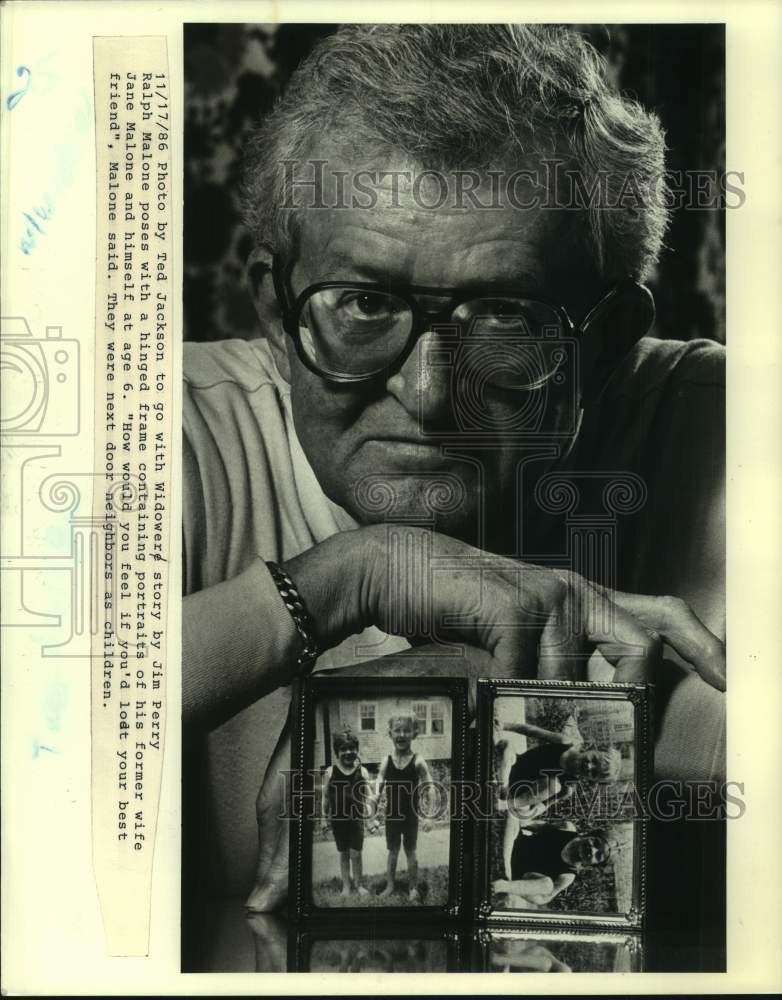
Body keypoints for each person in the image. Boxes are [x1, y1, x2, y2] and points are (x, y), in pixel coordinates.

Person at [181, 24, 726, 914]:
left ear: (612, 342)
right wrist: (346, 581)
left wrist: (484, 691)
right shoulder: (160, 434)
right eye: (363, 303)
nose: (430, 390)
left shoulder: (736, 429)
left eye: (504, 317)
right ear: (276, 316)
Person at [495, 716, 621, 817]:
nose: (589, 766)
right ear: (593, 750)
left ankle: (504, 803)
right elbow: (533, 731)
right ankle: (502, 784)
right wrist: (505, 726)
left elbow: (542, 806)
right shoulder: (565, 743)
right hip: (513, 765)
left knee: (554, 786)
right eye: (593, 759)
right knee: (508, 746)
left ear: (591, 781)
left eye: (593, 773)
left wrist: (528, 814)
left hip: (516, 792)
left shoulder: (567, 788)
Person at [371, 715, 434, 901]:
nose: (401, 734)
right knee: (392, 851)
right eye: (397, 730)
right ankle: (390, 886)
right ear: (390, 733)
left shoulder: (418, 761)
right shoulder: (386, 761)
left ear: (414, 733)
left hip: (410, 816)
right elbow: (378, 788)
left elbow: (430, 787)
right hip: (392, 815)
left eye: (406, 730)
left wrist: (430, 816)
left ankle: (413, 887)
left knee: (411, 852)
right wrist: (371, 811)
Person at [492, 821, 611, 909]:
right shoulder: (567, 829)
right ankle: (504, 865)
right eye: (595, 842)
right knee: (512, 817)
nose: (593, 850)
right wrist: (518, 823)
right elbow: (534, 824)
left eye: (598, 856)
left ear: (591, 865)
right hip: (513, 842)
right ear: (589, 834)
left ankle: (502, 885)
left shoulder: (568, 875)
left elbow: (543, 899)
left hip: (516, 871)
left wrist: (517, 890)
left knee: (548, 886)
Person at [319, 729, 371, 897]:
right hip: (338, 820)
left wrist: (371, 819)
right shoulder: (329, 772)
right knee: (344, 853)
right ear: (337, 752)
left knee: (356, 853)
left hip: (356, 820)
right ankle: (346, 886)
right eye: (343, 749)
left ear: (357, 750)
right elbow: (325, 798)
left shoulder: (362, 772)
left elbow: (369, 798)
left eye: (352, 748)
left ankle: (358, 884)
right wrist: (323, 819)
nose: (348, 752)